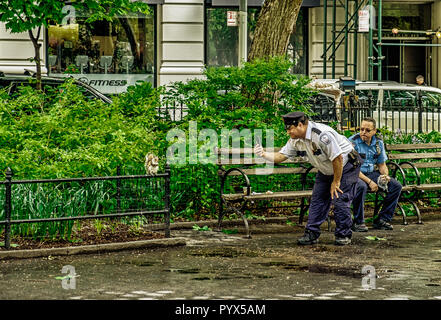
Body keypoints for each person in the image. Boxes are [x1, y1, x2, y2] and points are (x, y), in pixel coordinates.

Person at [254, 111, 362, 246]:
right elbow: (281, 156)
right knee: (317, 199)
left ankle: (343, 235)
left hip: (345, 166)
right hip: (325, 168)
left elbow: (337, 157)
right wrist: (263, 154)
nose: (288, 132)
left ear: (300, 125)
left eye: (290, 128)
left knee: (340, 199)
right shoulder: (295, 140)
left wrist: (336, 181)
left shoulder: (321, 135)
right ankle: (311, 233)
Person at [349, 117, 402, 231]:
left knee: (396, 186)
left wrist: (385, 176)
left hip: (371, 173)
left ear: (374, 131)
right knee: (361, 187)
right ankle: (358, 222)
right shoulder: (353, 142)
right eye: (361, 129)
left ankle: (382, 220)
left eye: (367, 130)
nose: (363, 132)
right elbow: (352, 168)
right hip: (356, 174)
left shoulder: (378, 143)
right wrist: (370, 182)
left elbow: (382, 165)